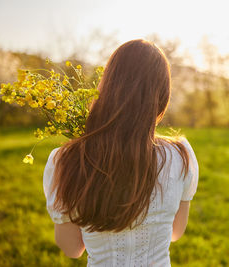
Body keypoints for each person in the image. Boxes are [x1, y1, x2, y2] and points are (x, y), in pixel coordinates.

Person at [43, 39, 199, 266]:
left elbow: (72, 248)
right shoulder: (181, 155)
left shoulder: (66, 160)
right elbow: (176, 232)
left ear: (106, 86)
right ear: (162, 95)